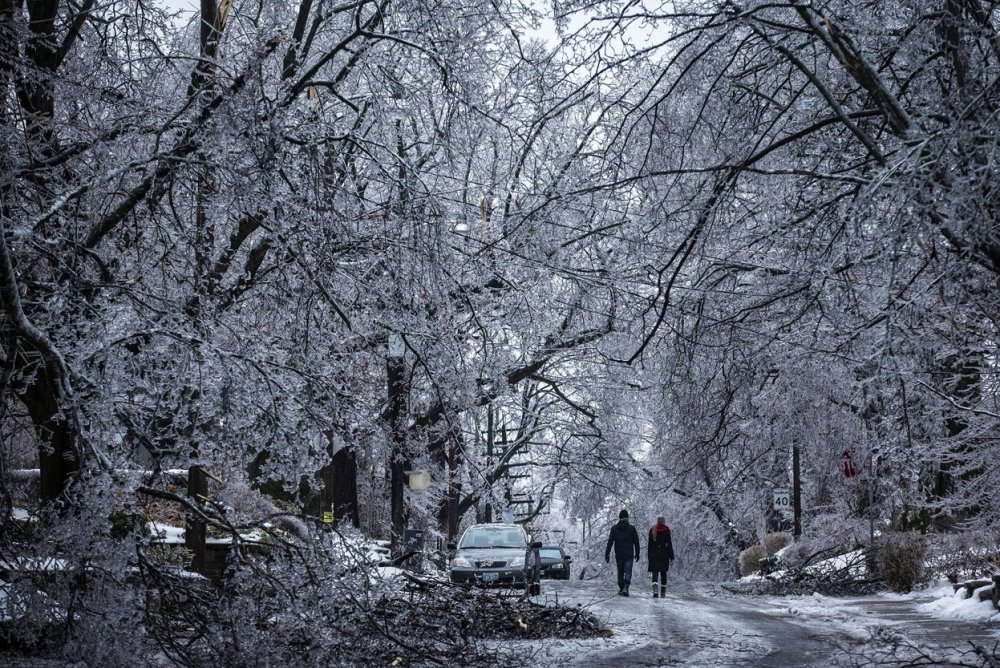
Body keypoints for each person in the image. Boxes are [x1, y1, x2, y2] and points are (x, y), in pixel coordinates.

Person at [605, 509, 640, 596]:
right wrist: (637, 553)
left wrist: (607, 553)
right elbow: (636, 541)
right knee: (628, 571)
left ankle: (621, 588)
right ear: (627, 518)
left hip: (619, 554)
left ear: (619, 518)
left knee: (620, 571)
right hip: (629, 554)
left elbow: (610, 542)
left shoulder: (614, 529)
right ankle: (625, 588)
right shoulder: (632, 529)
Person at [647, 515, 675, 598]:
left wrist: (649, 556)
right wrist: (672, 556)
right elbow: (669, 544)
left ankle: (655, 592)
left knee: (655, 573)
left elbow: (650, 544)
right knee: (663, 574)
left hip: (654, 554)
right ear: (663, 522)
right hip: (664, 554)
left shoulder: (652, 529)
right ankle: (663, 593)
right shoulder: (666, 530)